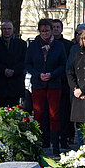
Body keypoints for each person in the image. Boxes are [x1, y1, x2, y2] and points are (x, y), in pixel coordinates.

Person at [25, 18, 67, 155]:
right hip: (38, 84)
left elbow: (63, 65)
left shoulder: (59, 46)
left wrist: (52, 74)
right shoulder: (33, 46)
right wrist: (38, 75)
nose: (45, 33)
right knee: (38, 113)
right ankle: (39, 143)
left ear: (51, 30)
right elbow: (28, 64)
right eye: (42, 31)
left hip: (54, 84)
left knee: (54, 114)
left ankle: (55, 145)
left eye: (47, 30)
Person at [0, 20, 27, 108]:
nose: (7, 31)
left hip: (15, 82)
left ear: (13, 29)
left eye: (9, 29)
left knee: (14, 110)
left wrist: (14, 71)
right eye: (4, 29)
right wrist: (4, 70)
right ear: (1, 30)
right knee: (1, 109)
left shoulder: (21, 44)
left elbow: (24, 61)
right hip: (0, 82)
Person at [52, 18, 75, 148]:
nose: (55, 29)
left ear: (61, 29)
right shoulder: (46, 43)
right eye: (53, 27)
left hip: (65, 83)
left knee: (65, 113)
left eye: (57, 27)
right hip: (51, 82)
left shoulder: (68, 45)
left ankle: (65, 138)